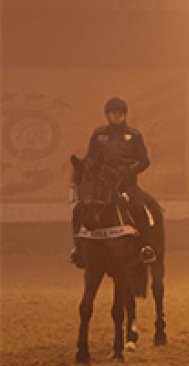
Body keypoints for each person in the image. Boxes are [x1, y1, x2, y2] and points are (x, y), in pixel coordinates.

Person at [71, 96, 162, 268]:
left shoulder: (133, 135)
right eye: (113, 113)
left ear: (125, 115)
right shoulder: (99, 134)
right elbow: (91, 156)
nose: (116, 116)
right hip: (102, 184)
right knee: (79, 209)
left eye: (119, 113)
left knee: (138, 207)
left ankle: (145, 246)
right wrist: (83, 166)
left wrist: (126, 170)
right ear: (107, 115)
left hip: (125, 183)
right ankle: (78, 248)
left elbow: (144, 161)